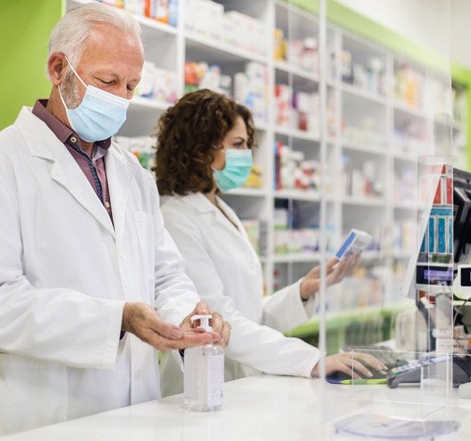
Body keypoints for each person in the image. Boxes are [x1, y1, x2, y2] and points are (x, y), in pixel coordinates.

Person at [0, 4, 230, 437]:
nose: (120, 96)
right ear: (58, 68)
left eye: (131, 85)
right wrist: (117, 318)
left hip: (137, 408)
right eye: (107, 81)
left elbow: (166, 273)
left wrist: (187, 316)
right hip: (46, 414)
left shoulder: (132, 174)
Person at [154, 89, 386, 394]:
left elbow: (252, 315)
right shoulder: (177, 218)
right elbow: (217, 321)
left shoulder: (222, 210)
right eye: (237, 145)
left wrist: (303, 291)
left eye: (248, 145)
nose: (246, 155)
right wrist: (313, 361)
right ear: (201, 151)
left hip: (242, 379)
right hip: (202, 384)